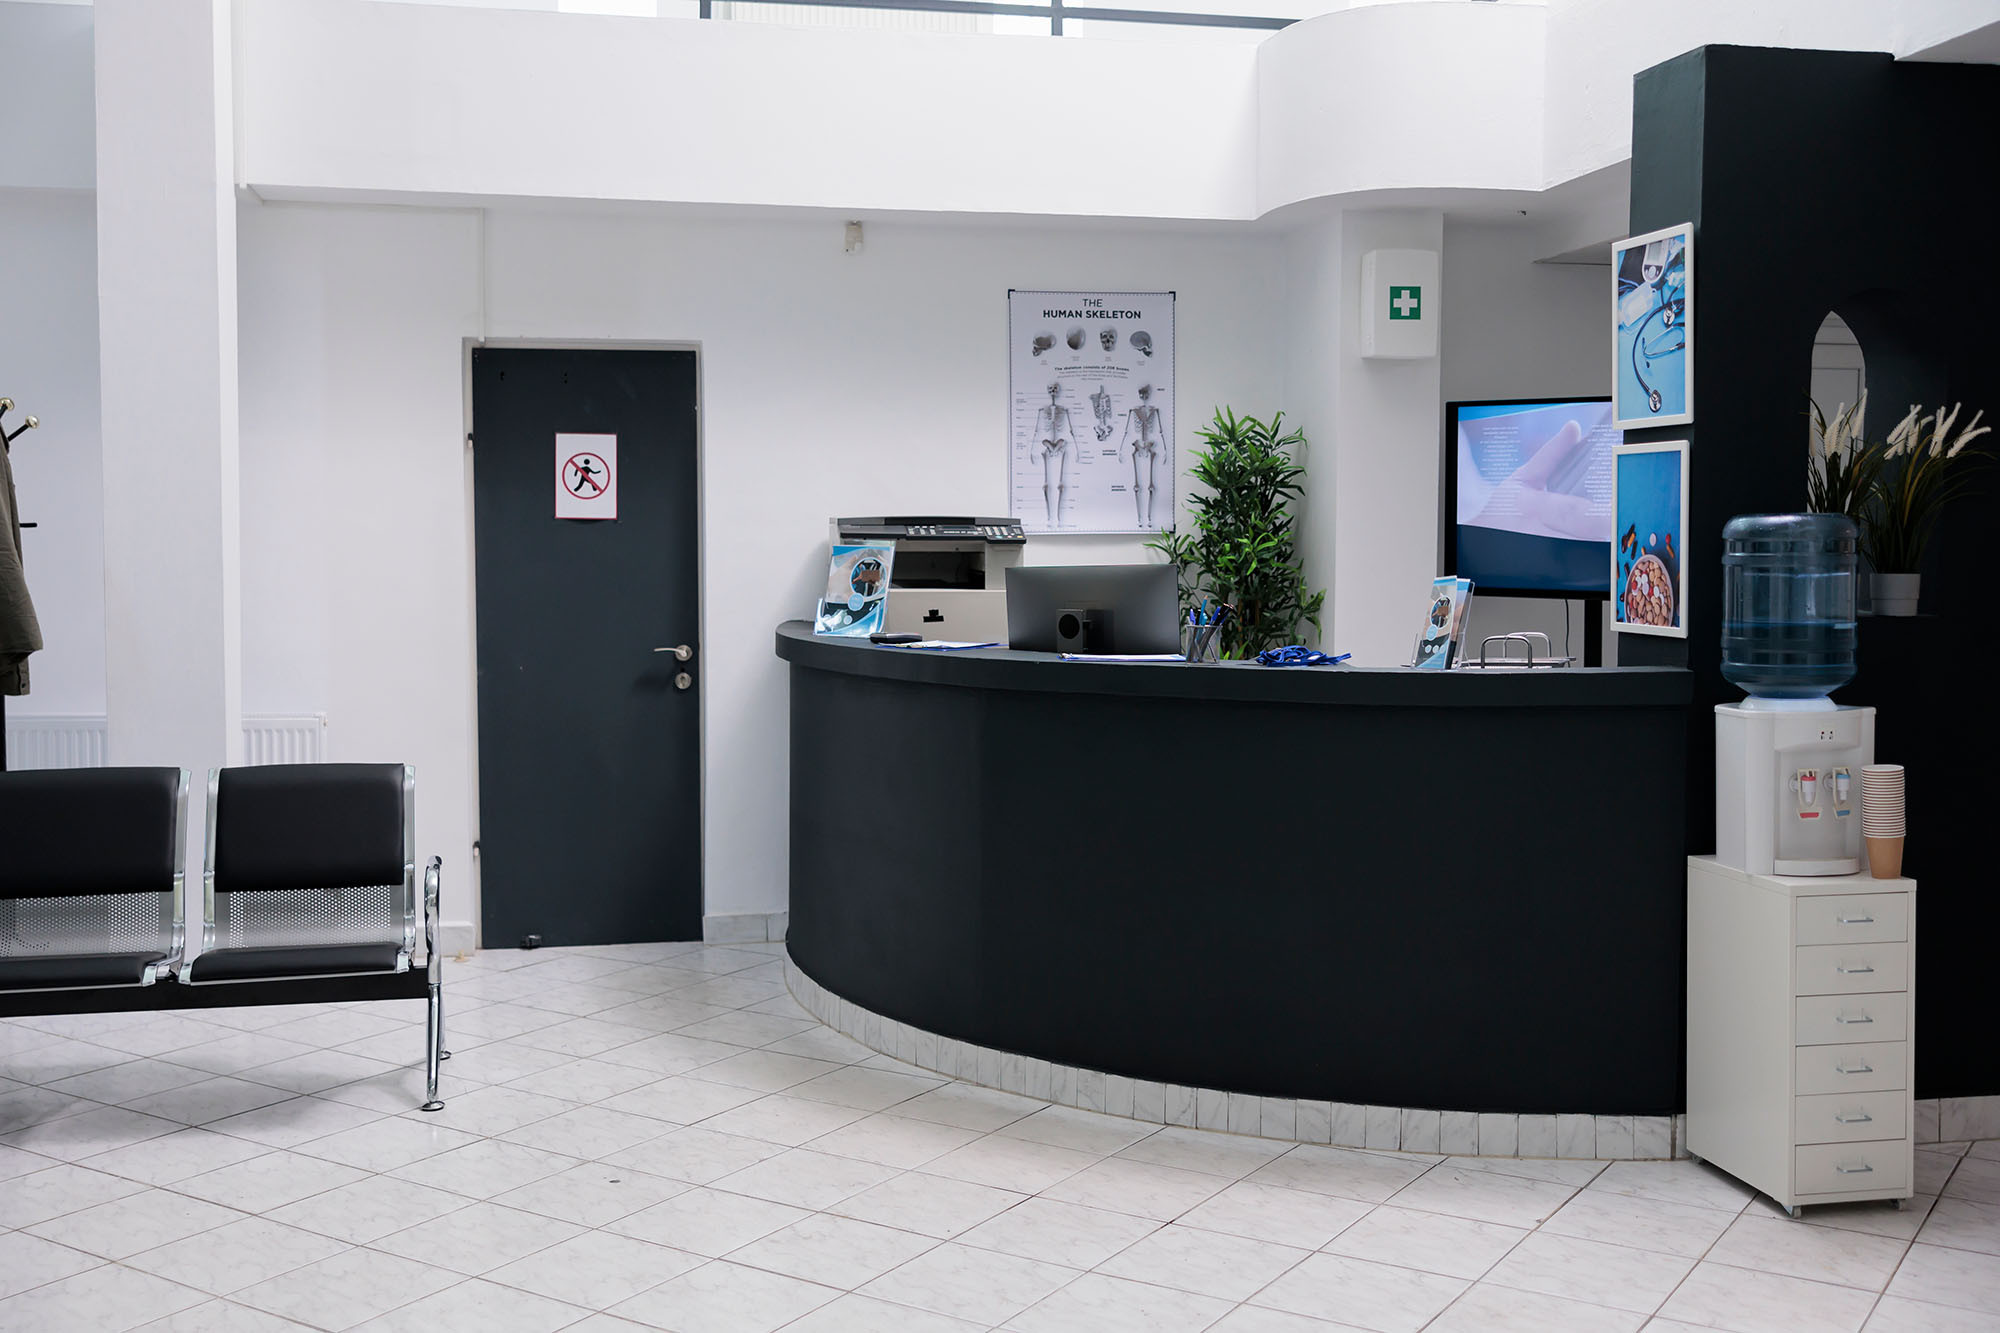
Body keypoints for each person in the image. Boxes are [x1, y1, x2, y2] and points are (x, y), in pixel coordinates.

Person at [1117, 384, 1166, 528]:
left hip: (1150, 445)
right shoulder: (1133, 411)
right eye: (1141, 394)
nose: (1144, 397)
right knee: (1137, 485)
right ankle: (1139, 519)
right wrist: (1120, 450)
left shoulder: (1154, 411)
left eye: (1145, 394)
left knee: (1150, 485)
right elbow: (1126, 431)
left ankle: (1149, 519)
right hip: (1137, 445)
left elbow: (1161, 431)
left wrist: (1165, 451)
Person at [1030, 382, 1075, 527]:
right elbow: (1036, 430)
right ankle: (1049, 518)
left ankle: (1058, 519)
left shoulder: (1063, 410)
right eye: (1051, 389)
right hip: (1048, 445)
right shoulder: (1042, 411)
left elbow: (1070, 430)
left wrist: (1077, 451)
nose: (1053, 391)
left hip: (1059, 445)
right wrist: (1031, 451)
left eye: (1055, 389)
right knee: (1047, 483)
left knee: (1059, 483)